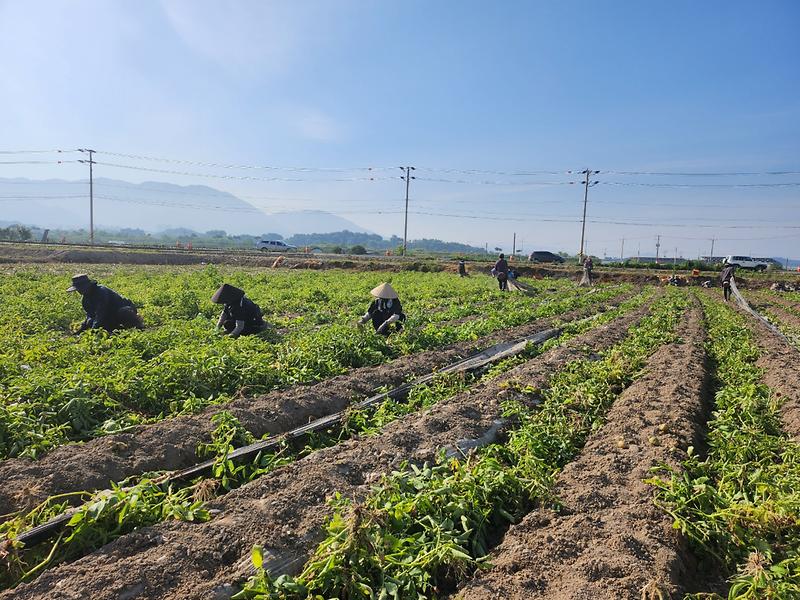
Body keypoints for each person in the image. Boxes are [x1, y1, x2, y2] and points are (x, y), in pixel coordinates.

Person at [67, 274, 144, 333]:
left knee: (124, 312)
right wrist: (81, 330)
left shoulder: (101, 291)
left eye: (81, 289)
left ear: (88, 286)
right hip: (110, 315)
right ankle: (117, 329)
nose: (79, 291)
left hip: (122, 309)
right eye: (78, 290)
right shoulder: (85, 299)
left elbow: (101, 312)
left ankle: (137, 325)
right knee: (90, 322)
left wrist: (93, 330)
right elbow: (90, 315)